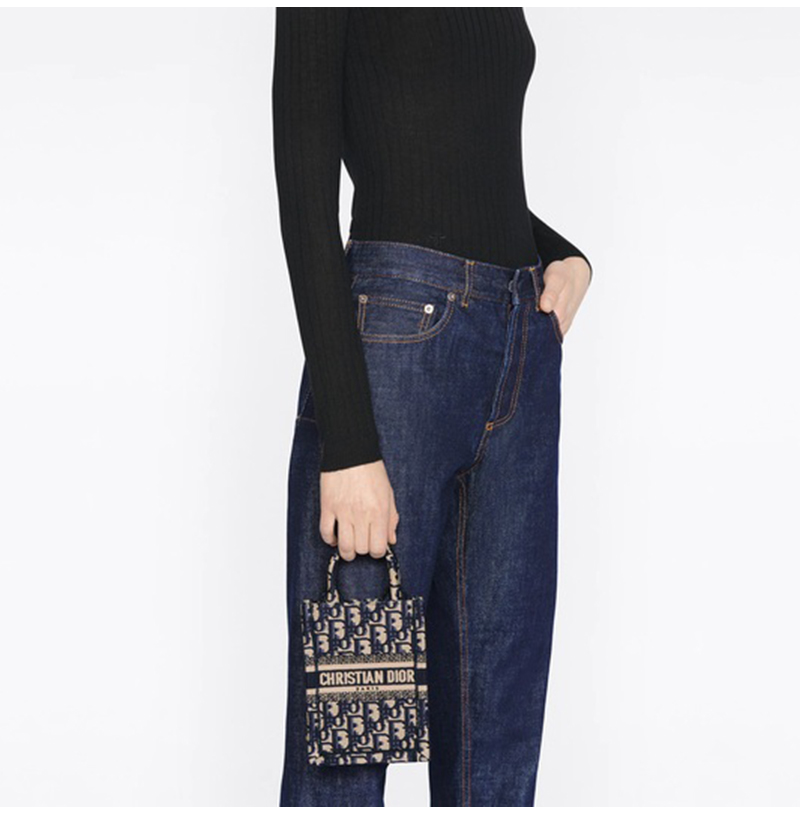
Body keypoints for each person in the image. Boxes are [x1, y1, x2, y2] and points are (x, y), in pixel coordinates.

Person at [272, 8, 591, 807]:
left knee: (498, 753)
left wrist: (561, 253)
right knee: (349, 749)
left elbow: (453, 151)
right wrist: (348, 441)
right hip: (395, 359)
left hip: (518, 343)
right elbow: (304, 180)